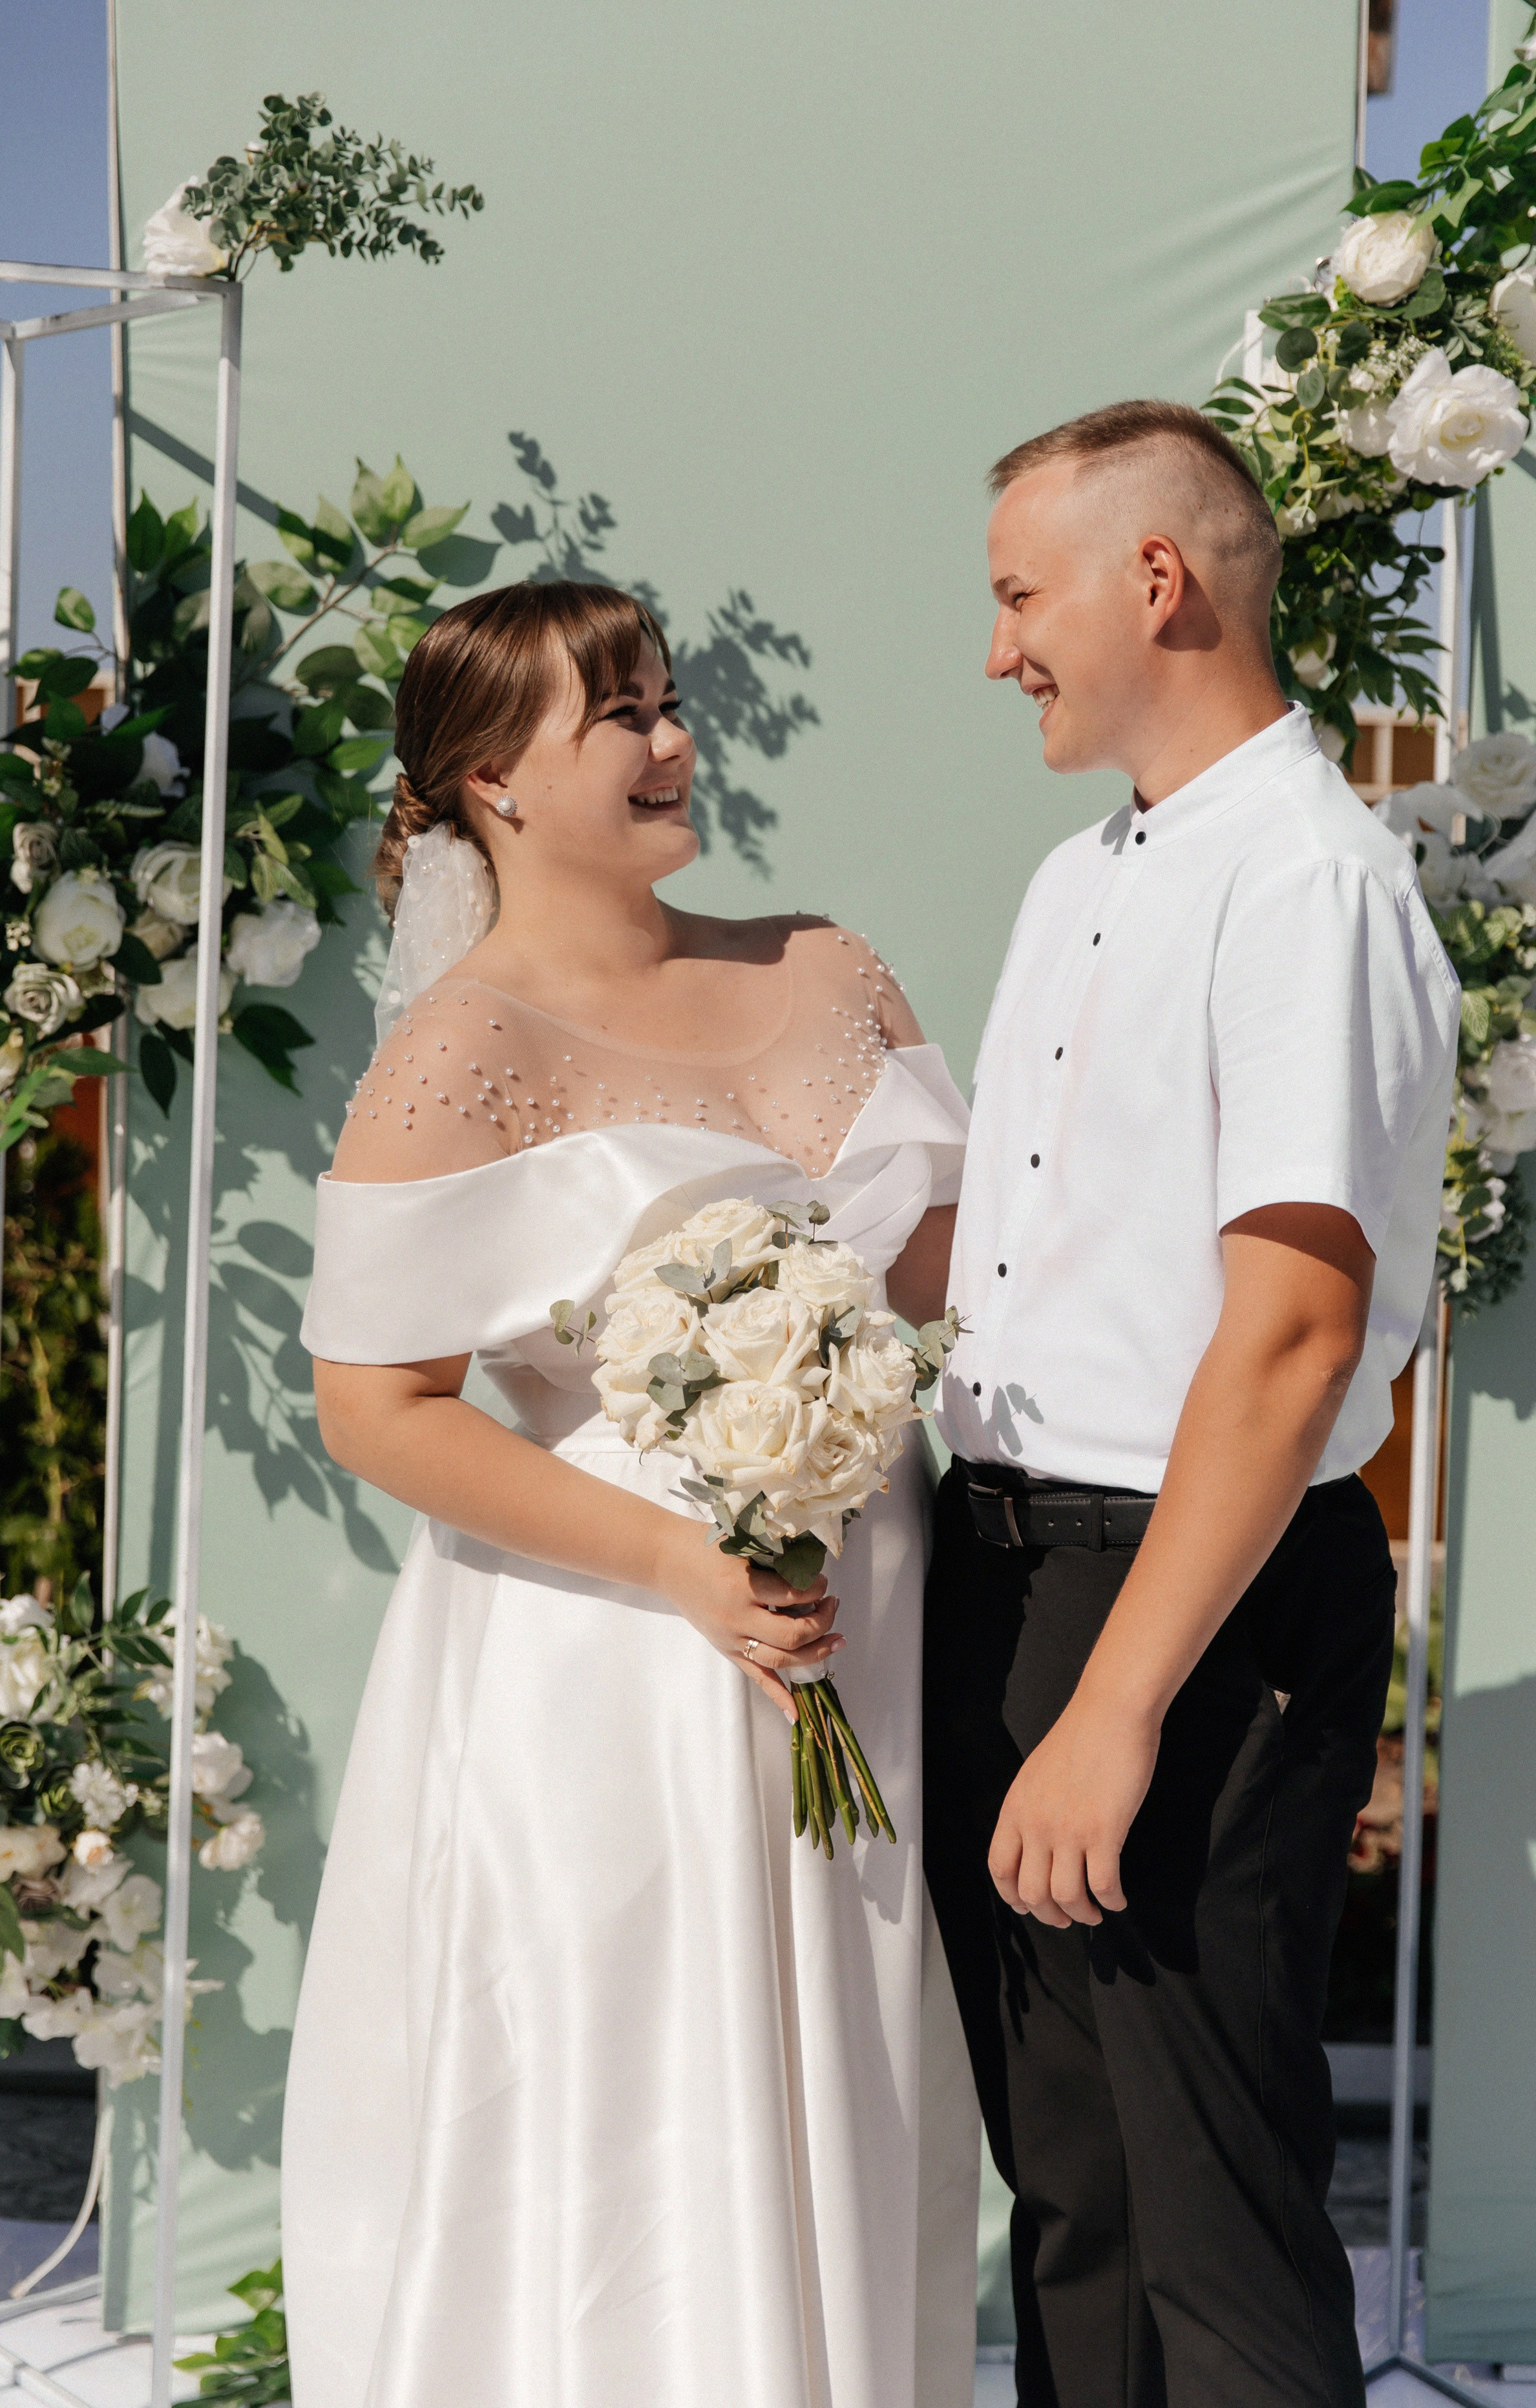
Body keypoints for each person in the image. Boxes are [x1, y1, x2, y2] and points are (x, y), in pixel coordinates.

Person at [283, 579, 982, 2408]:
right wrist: (681, 1563)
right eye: (624, 716)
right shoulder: (459, 1050)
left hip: (868, 1630)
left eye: (670, 702)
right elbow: (378, 1409)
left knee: (856, 2068)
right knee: (638, 2104)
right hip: (617, 1658)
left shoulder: (827, 968)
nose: (675, 742)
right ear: (496, 779)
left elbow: (961, 1294)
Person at [923, 401, 1460, 2407]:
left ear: (1156, 581)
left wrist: (1117, 1704)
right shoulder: (1078, 877)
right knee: (1076, 2190)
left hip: (1191, 1600)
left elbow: (1298, 1336)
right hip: (1016, 1565)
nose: (998, 650)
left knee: (1212, 2215)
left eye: (1019, 596)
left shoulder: (1307, 884)